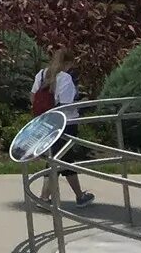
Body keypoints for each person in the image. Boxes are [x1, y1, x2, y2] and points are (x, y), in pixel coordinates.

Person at [34, 45, 96, 207]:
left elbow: (33, 96)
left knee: (63, 158)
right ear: (67, 63)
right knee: (59, 159)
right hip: (66, 124)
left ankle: (79, 195)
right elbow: (66, 104)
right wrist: (81, 104)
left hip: (47, 122)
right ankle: (44, 198)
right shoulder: (65, 78)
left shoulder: (41, 74)